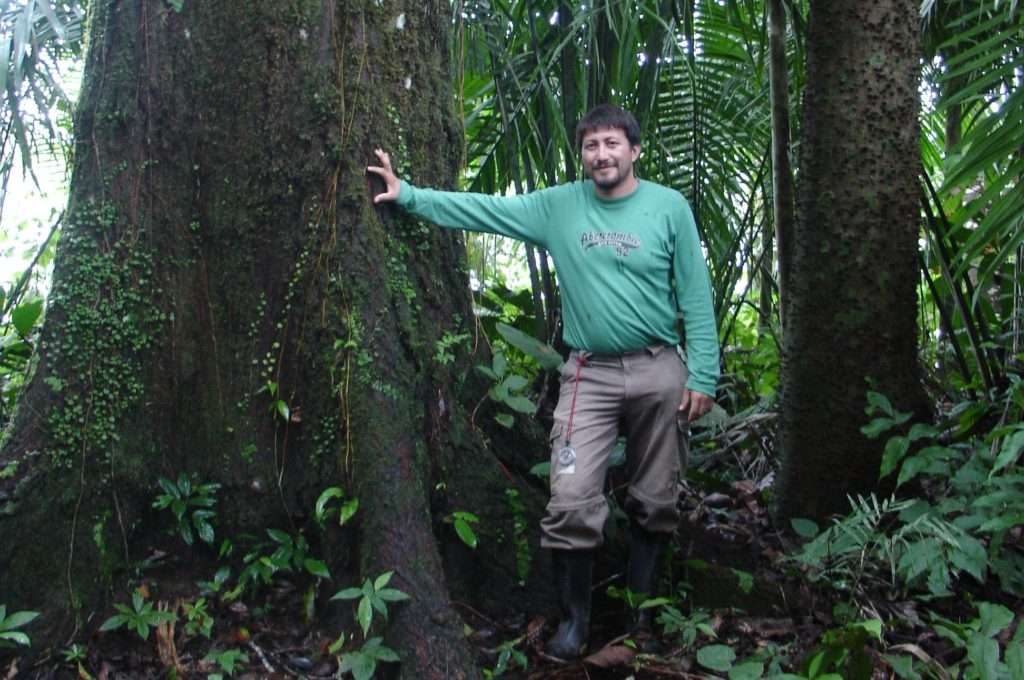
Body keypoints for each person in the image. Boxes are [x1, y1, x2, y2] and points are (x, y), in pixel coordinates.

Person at [368, 104, 719, 660]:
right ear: (582, 154)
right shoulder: (559, 206)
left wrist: (703, 372)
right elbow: (485, 210)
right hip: (590, 372)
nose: (601, 154)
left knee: (655, 498)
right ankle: (576, 624)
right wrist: (409, 194)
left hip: (659, 369)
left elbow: (695, 294)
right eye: (591, 146)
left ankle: (642, 619)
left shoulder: (668, 208)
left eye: (611, 143)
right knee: (572, 499)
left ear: (635, 150)